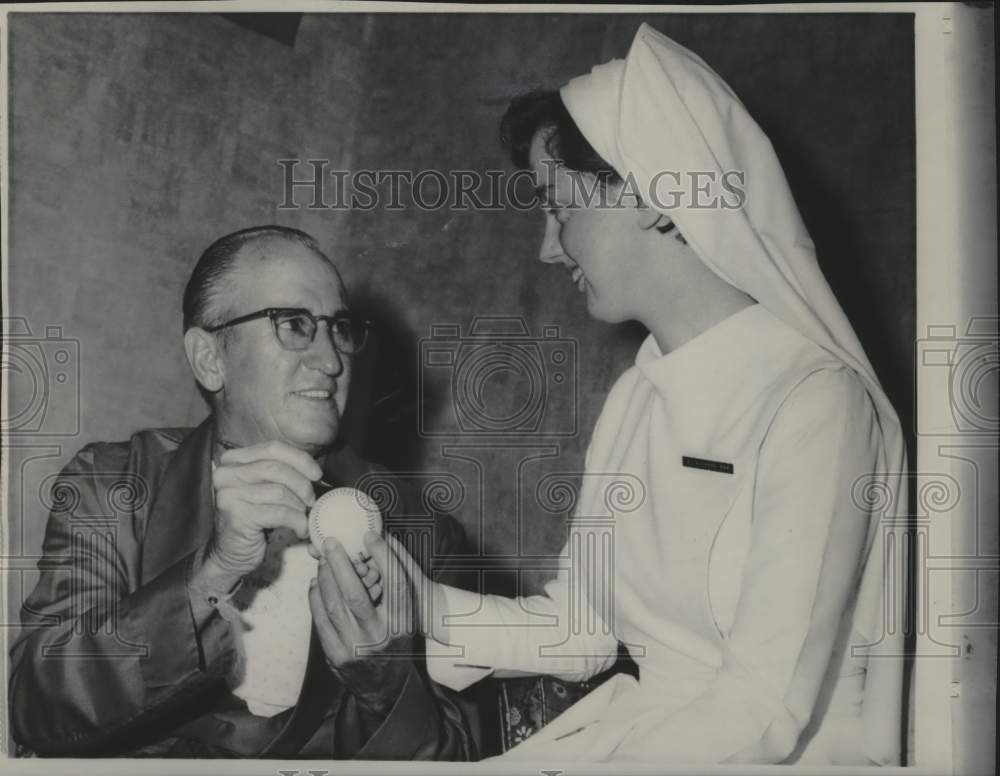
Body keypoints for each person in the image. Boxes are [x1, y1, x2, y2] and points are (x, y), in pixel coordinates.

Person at [395, 24, 908, 765]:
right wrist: (417, 609)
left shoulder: (818, 403)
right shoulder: (639, 392)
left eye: (559, 207)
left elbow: (764, 706)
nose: (547, 246)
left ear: (654, 196)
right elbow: (581, 626)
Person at [8, 225, 477, 759]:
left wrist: (386, 686)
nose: (331, 360)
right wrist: (208, 576)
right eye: (294, 324)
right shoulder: (113, 486)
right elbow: (33, 707)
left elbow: (463, 757)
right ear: (210, 358)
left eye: (340, 328)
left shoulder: (422, 530)